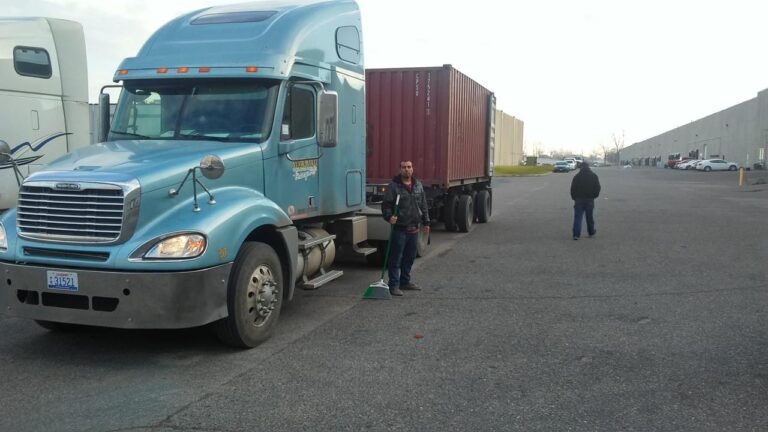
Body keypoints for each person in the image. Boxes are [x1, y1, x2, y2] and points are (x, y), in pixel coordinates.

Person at [381, 160, 430, 296]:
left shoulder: (418, 186)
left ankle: (405, 282)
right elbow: (386, 205)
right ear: (400, 170)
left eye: (409, 167)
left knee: (410, 257)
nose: (406, 170)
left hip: (414, 228)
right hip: (400, 229)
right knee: (396, 258)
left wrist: (426, 222)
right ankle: (393, 285)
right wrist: (389, 216)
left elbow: (423, 205)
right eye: (403, 167)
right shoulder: (394, 186)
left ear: (412, 169)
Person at [570, 160, 601, 240]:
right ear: (588, 167)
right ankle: (591, 232)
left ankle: (576, 234)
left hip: (579, 199)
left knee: (578, 217)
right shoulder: (593, 176)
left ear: (581, 168)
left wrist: (574, 197)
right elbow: (597, 188)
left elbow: (573, 189)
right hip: (589, 199)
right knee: (589, 217)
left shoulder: (577, 176)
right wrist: (594, 196)